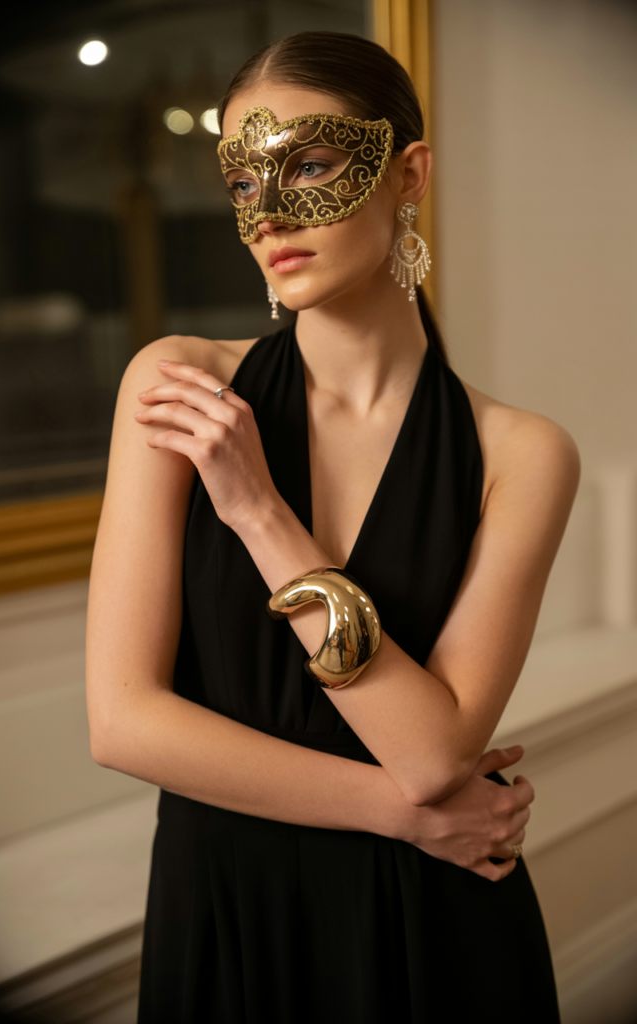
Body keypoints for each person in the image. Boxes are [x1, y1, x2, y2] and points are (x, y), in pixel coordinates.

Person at [86, 31, 579, 1023]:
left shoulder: (523, 452)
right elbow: (123, 720)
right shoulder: (178, 383)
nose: (266, 213)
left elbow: (437, 754)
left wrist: (259, 511)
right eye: (239, 182)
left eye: (307, 165)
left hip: (435, 930)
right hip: (230, 911)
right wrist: (407, 815)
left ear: (408, 173)